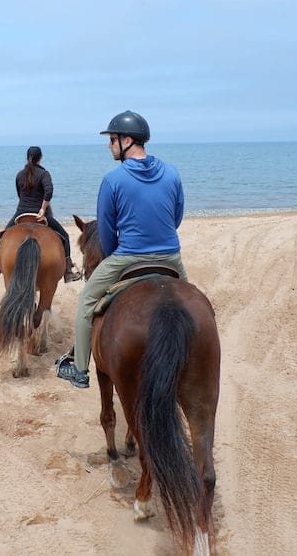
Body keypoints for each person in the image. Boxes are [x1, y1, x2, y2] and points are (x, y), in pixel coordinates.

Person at [56, 111, 187, 389]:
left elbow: (105, 231)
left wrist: (117, 257)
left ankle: (79, 369)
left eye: (112, 140)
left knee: (85, 304)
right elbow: (175, 218)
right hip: (171, 258)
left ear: (127, 140)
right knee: (189, 305)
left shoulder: (113, 180)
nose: (109, 145)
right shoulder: (172, 173)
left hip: (128, 256)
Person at [0, 146, 83, 284]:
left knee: (4, 236)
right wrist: (42, 209)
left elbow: (20, 194)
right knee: (64, 236)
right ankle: (68, 272)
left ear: (27, 157)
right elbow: (49, 192)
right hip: (41, 216)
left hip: (21, 213)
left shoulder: (19, 174)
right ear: (40, 158)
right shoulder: (44, 174)